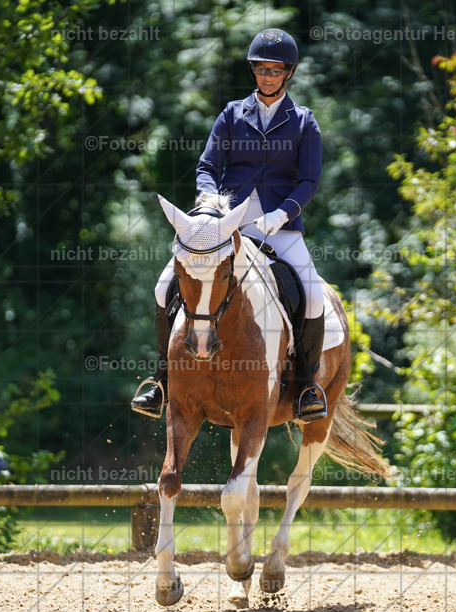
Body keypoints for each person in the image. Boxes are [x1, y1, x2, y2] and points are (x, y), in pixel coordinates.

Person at [132, 28, 327, 421]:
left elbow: (309, 180)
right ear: (254, 71)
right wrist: (208, 202)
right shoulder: (232, 113)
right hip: (226, 225)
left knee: (314, 294)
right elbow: (207, 166)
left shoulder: (304, 122)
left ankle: (306, 384)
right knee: (163, 285)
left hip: (279, 225)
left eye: (275, 70)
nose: (267, 76)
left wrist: (282, 213)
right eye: (260, 68)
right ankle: (162, 380)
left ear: (288, 73)